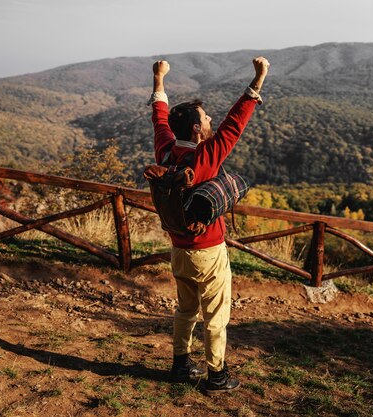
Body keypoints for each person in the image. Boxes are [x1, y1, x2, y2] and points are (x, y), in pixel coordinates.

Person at [149, 56, 269, 394]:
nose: (211, 119)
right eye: (205, 118)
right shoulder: (206, 156)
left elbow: (159, 117)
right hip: (208, 253)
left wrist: (159, 80)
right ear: (196, 129)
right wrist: (258, 80)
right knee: (215, 316)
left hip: (178, 250)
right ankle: (217, 376)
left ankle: (179, 365)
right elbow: (236, 122)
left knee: (185, 310)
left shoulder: (165, 152)